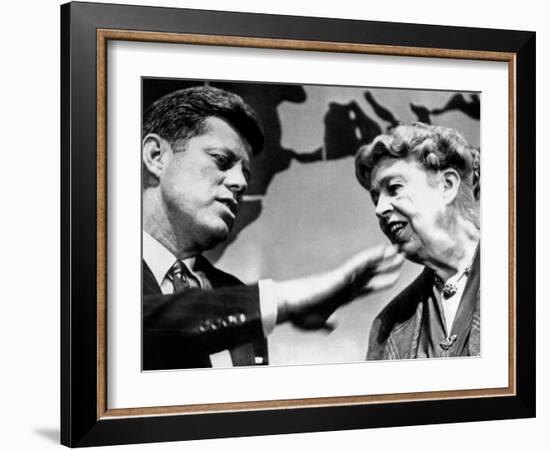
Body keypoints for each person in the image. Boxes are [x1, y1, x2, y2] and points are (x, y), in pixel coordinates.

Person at [142, 85, 403, 370]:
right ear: (157, 156)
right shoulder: (100, 276)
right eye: (222, 160)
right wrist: (284, 301)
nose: (240, 183)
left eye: (245, 172)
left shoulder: (237, 294)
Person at [355, 122, 480, 359]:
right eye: (375, 199)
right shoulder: (387, 327)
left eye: (394, 188)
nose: (380, 209)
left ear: (447, 185)